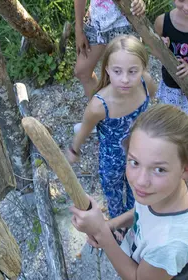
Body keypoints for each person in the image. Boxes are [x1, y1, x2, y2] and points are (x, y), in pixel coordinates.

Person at [70, 104, 188, 280]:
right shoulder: (165, 191)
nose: (140, 181)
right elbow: (144, 212)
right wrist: (112, 225)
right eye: (134, 162)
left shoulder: (170, 244)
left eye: (159, 169)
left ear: (186, 169)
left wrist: (102, 233)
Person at [66, 35, 157, 218]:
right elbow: (84, 129)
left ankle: (136, 223)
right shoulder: (99, 105)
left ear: (143, 69)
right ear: (107, 69)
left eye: (133, 71)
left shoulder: (146, 84)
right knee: (114, 197)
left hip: (141, 156)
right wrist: (74, 150)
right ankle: (118, 228)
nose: (125, 79)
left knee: (138, 193)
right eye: (117, 71)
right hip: (112, 162)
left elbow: (150, 100)